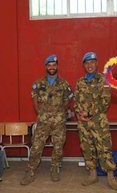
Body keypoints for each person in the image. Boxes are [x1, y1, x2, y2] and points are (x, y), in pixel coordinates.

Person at [21, 54, 72, 185]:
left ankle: (55, 169)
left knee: (58, 147)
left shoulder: (64, 84)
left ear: (57, 66)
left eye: (54, 65)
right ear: (46, 67)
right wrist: (41, 113)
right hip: (43, 121)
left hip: (58, 122)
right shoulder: (38, 84)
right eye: (49, 65)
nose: (52, 67)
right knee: (36, 146)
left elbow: (68, 101)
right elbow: (34, 100)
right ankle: (31, 171)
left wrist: (59, 112)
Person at [75, 52, 117, 190]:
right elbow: (76, 101)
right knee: (87, 148)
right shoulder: (80, 82)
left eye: (92, 62)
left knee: (104, 148)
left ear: (97, 63)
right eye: (87, 63)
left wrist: (89, 112)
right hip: (83, 122)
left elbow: (105, 102)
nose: (90, 65)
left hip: (98, 121)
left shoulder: (104, 80)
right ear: (84, 65)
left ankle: (111, 177)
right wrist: (79, 114)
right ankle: (92, 175)